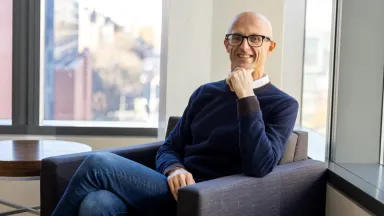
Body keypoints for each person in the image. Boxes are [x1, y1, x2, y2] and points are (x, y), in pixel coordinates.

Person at [51, 11, 298, 216]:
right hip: (172, 191)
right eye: (237, 38)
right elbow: (169, 147)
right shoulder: (205, 93)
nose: (245, 46)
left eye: (255, 38)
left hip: (211, 200)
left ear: (270, 46)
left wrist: (246, 97)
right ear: (227, 44)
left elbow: (260, 165)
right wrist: (175, 169)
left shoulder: (283, 105)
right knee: (97, 203)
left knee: (98, 163)